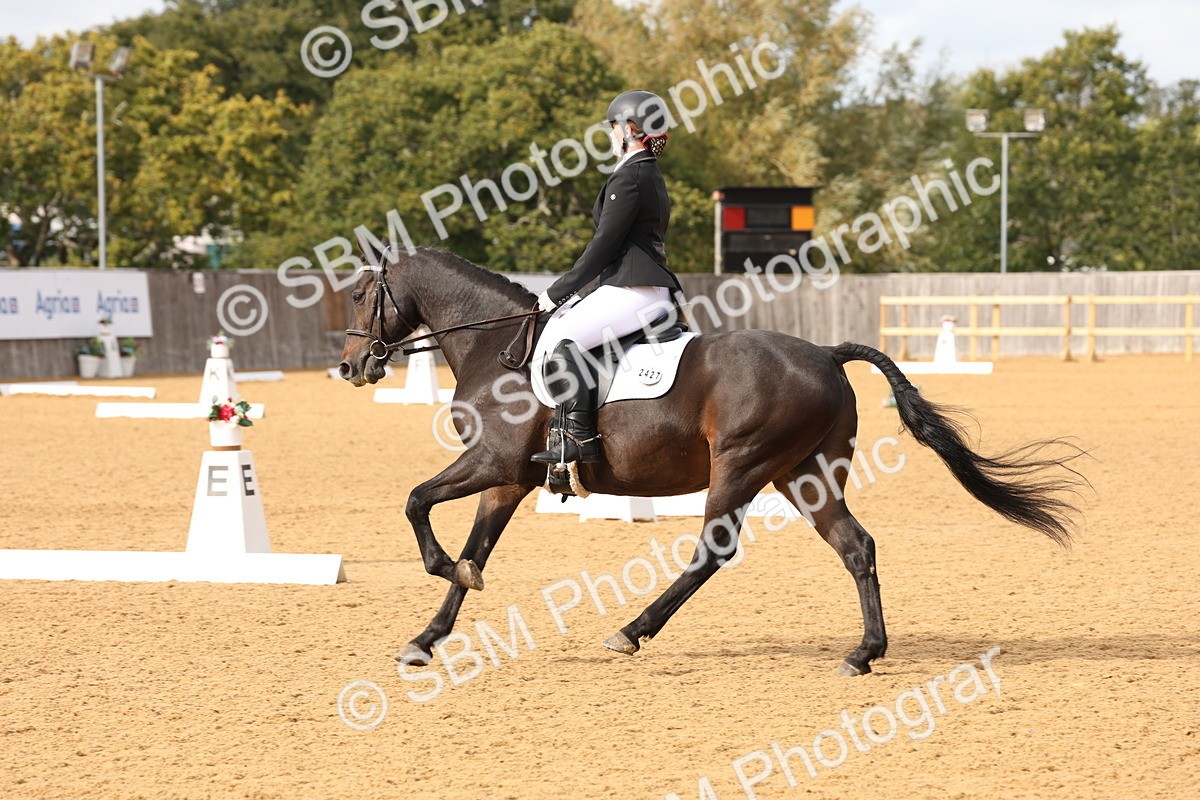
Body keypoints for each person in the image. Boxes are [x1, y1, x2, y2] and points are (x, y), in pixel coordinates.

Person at [530, 89, 683, 467]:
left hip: (633, 289)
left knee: (563, 340)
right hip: (639, 286)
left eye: (614, 127)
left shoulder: (630, 176)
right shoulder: (646, 173)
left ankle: (578, 439)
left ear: (631, 129)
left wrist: (558, 292)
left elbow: (603, 246)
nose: (612, 135)